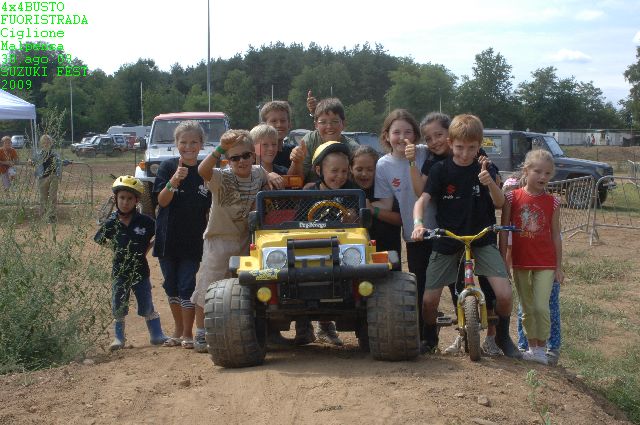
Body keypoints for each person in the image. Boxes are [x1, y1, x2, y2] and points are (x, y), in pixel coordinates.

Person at [411, 114, 520, 358]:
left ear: (479, 144)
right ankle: (430, 337)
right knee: (429, 301)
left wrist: (489, 182)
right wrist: (418, 224)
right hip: (448, 238)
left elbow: (500, 203)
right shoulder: (440, 169)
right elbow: (423, 200)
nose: (465, 153)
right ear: (450, 143)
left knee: (504, 295)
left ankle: (502, 336)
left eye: (472, 147)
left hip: (481, 238)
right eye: (459, 147)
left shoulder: (486, 167)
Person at [192, 130, 271, 352]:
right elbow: (202, 170)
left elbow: (265, 173)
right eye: (234, 158)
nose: (241, 161)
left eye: (246, 156)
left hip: (245, 238)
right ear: (228, 160)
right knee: (209, 285)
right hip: (219, 238)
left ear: (253, 156)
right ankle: (200, 332)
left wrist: (271, 176)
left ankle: (238, 329)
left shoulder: (258, 173)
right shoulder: (222, 176)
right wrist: (219, 148)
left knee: (242, 285)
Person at [372, 109, 435, 348]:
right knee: (419, 285)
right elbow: (386, 203)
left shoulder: (425, 153)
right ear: (386, 136)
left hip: (440, 230)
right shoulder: (383, 165)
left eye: (408, 132)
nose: (402, 137)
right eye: (396, 132)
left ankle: (464, 335)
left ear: (416, 135)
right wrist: (367, 208)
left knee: (449, 284)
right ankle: (424, 338)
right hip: (414, 235)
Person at [499, 149, 563, 365]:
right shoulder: (512, 197)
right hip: (520, 261)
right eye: (538, 172)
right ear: (526, 171)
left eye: (547, 173)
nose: (542, 177)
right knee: (526, 307)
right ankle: (531, 347)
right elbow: (505, 230)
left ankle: (541, 348)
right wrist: (503, 260)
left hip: (545, 261)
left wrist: (559, 266)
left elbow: (556, 235)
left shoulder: (553, 202)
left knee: (540, 306)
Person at [153, 121, 212, 351]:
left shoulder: (204, 172)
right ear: (176, 144)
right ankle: (177, 329)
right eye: (183, 142)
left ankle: (188, 332)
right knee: (171, 285)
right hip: (167, 238)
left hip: (193, 239)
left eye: (193, 142)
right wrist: (175, 179)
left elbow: (209, 208)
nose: (188, 146)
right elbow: (161, 201)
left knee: (187, 284)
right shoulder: (167, 167)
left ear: (201, 144)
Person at [94, 176, 168, 350]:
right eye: (122, 198)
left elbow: (159, 234)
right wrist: (117, 249)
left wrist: (147, 248)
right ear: (115, 199)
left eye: (129, 199)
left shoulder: (146, 222)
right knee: (118, 305)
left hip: (141, 271)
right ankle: (119, 338)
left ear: (136, 200)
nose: (125, 202)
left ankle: (156, 335)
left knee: (146, 304)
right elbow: (100, 239)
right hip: (120, 271)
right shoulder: (111, 223)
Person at [298, 141, 359, 346]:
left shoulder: (352, 190)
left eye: (344, 171)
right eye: (334, 171)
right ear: (318, 170)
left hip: (344, 250)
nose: (340, 176)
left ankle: (329, 327)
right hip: (312, 247)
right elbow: (297, 222)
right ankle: (303, 327)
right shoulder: (308, 192)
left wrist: (353, 217)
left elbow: (360, 221)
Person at [350, 145, 402, 263]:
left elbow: (400, 219)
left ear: (377, 169)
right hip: (355, 256)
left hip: (387, 251)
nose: (364, 174)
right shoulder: (347, 189)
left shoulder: (385, 186)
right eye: (359, 169)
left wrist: (373, 210)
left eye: (370, 169)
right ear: (350, 168)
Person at [290, 97, 359, 183]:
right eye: (323, 122)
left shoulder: (353, 148)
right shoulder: (309, 141)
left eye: (334, 121)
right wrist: (296, 162)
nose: (329, 126)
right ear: (316, 125)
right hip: (312, 194)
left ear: (343, 124)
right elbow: (295, 182)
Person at [30, 134, 70, 222]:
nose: (46, 143)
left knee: (52, 196)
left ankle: (52, 215)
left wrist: (66, 162)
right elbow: (33, 161)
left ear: (51, 143)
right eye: (44, 142)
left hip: (54, 176)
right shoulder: (38, 154)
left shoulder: (55, 154)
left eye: (48, 141)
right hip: (42, 177)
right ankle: (44, 215)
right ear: (41, 143)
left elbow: (59, 162)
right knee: (43, 197)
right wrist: (30, 161)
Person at [259, 101, 297, 170]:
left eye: (283, 121)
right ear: (264, 125)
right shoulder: (257, 152)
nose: (279, 125)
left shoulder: (293, 152)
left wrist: (297, 162)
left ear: (289, 124)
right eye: (273, 121)